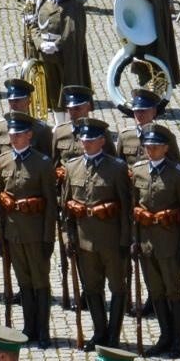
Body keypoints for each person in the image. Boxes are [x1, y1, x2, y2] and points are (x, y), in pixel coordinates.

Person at [64, 117, 135, 348]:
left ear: (102, 141)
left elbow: (125, 207)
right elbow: (67, 208)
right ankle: (99, 332)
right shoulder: (72, 167)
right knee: (92, 288)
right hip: (84, 242)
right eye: (84, 139)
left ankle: (113, 335)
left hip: (111, 241)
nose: (86, 143)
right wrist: (69, 237)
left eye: (91, 140)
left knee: (117, 287)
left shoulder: (116, 168)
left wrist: (126, 240)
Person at [0, 110, 59, 346]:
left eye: (19, 135)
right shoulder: (3, 161)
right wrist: (2, 235)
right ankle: (28, 326)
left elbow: (51, 205)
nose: (14, 138)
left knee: (40, 282)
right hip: (13, 234)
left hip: (35, 233)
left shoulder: (41, 163)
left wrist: (48, 237)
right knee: (24, 282)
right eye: (12, 135)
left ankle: (42, 330)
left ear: (29, 135)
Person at [130, 124, 180, 356]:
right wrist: (134, 240)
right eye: (148, 146)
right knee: (156, 291)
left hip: (170, 242)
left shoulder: (177, 174)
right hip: (147, 243)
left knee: (173, 292)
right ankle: (164, 336)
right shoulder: (138, 171)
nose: (151, 150)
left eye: (155, 146)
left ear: (166, 148)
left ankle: (178, 340)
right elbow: (134, 210)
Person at [34, 0, 88, 109]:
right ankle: (58, 122)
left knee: (65, 91)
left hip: (64, 54)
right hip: (45, 52)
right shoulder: (44, 0)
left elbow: (72, 30)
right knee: (51, 90)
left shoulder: (73, 3)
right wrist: (39, 43)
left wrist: (57, 44)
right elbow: (34, 26)